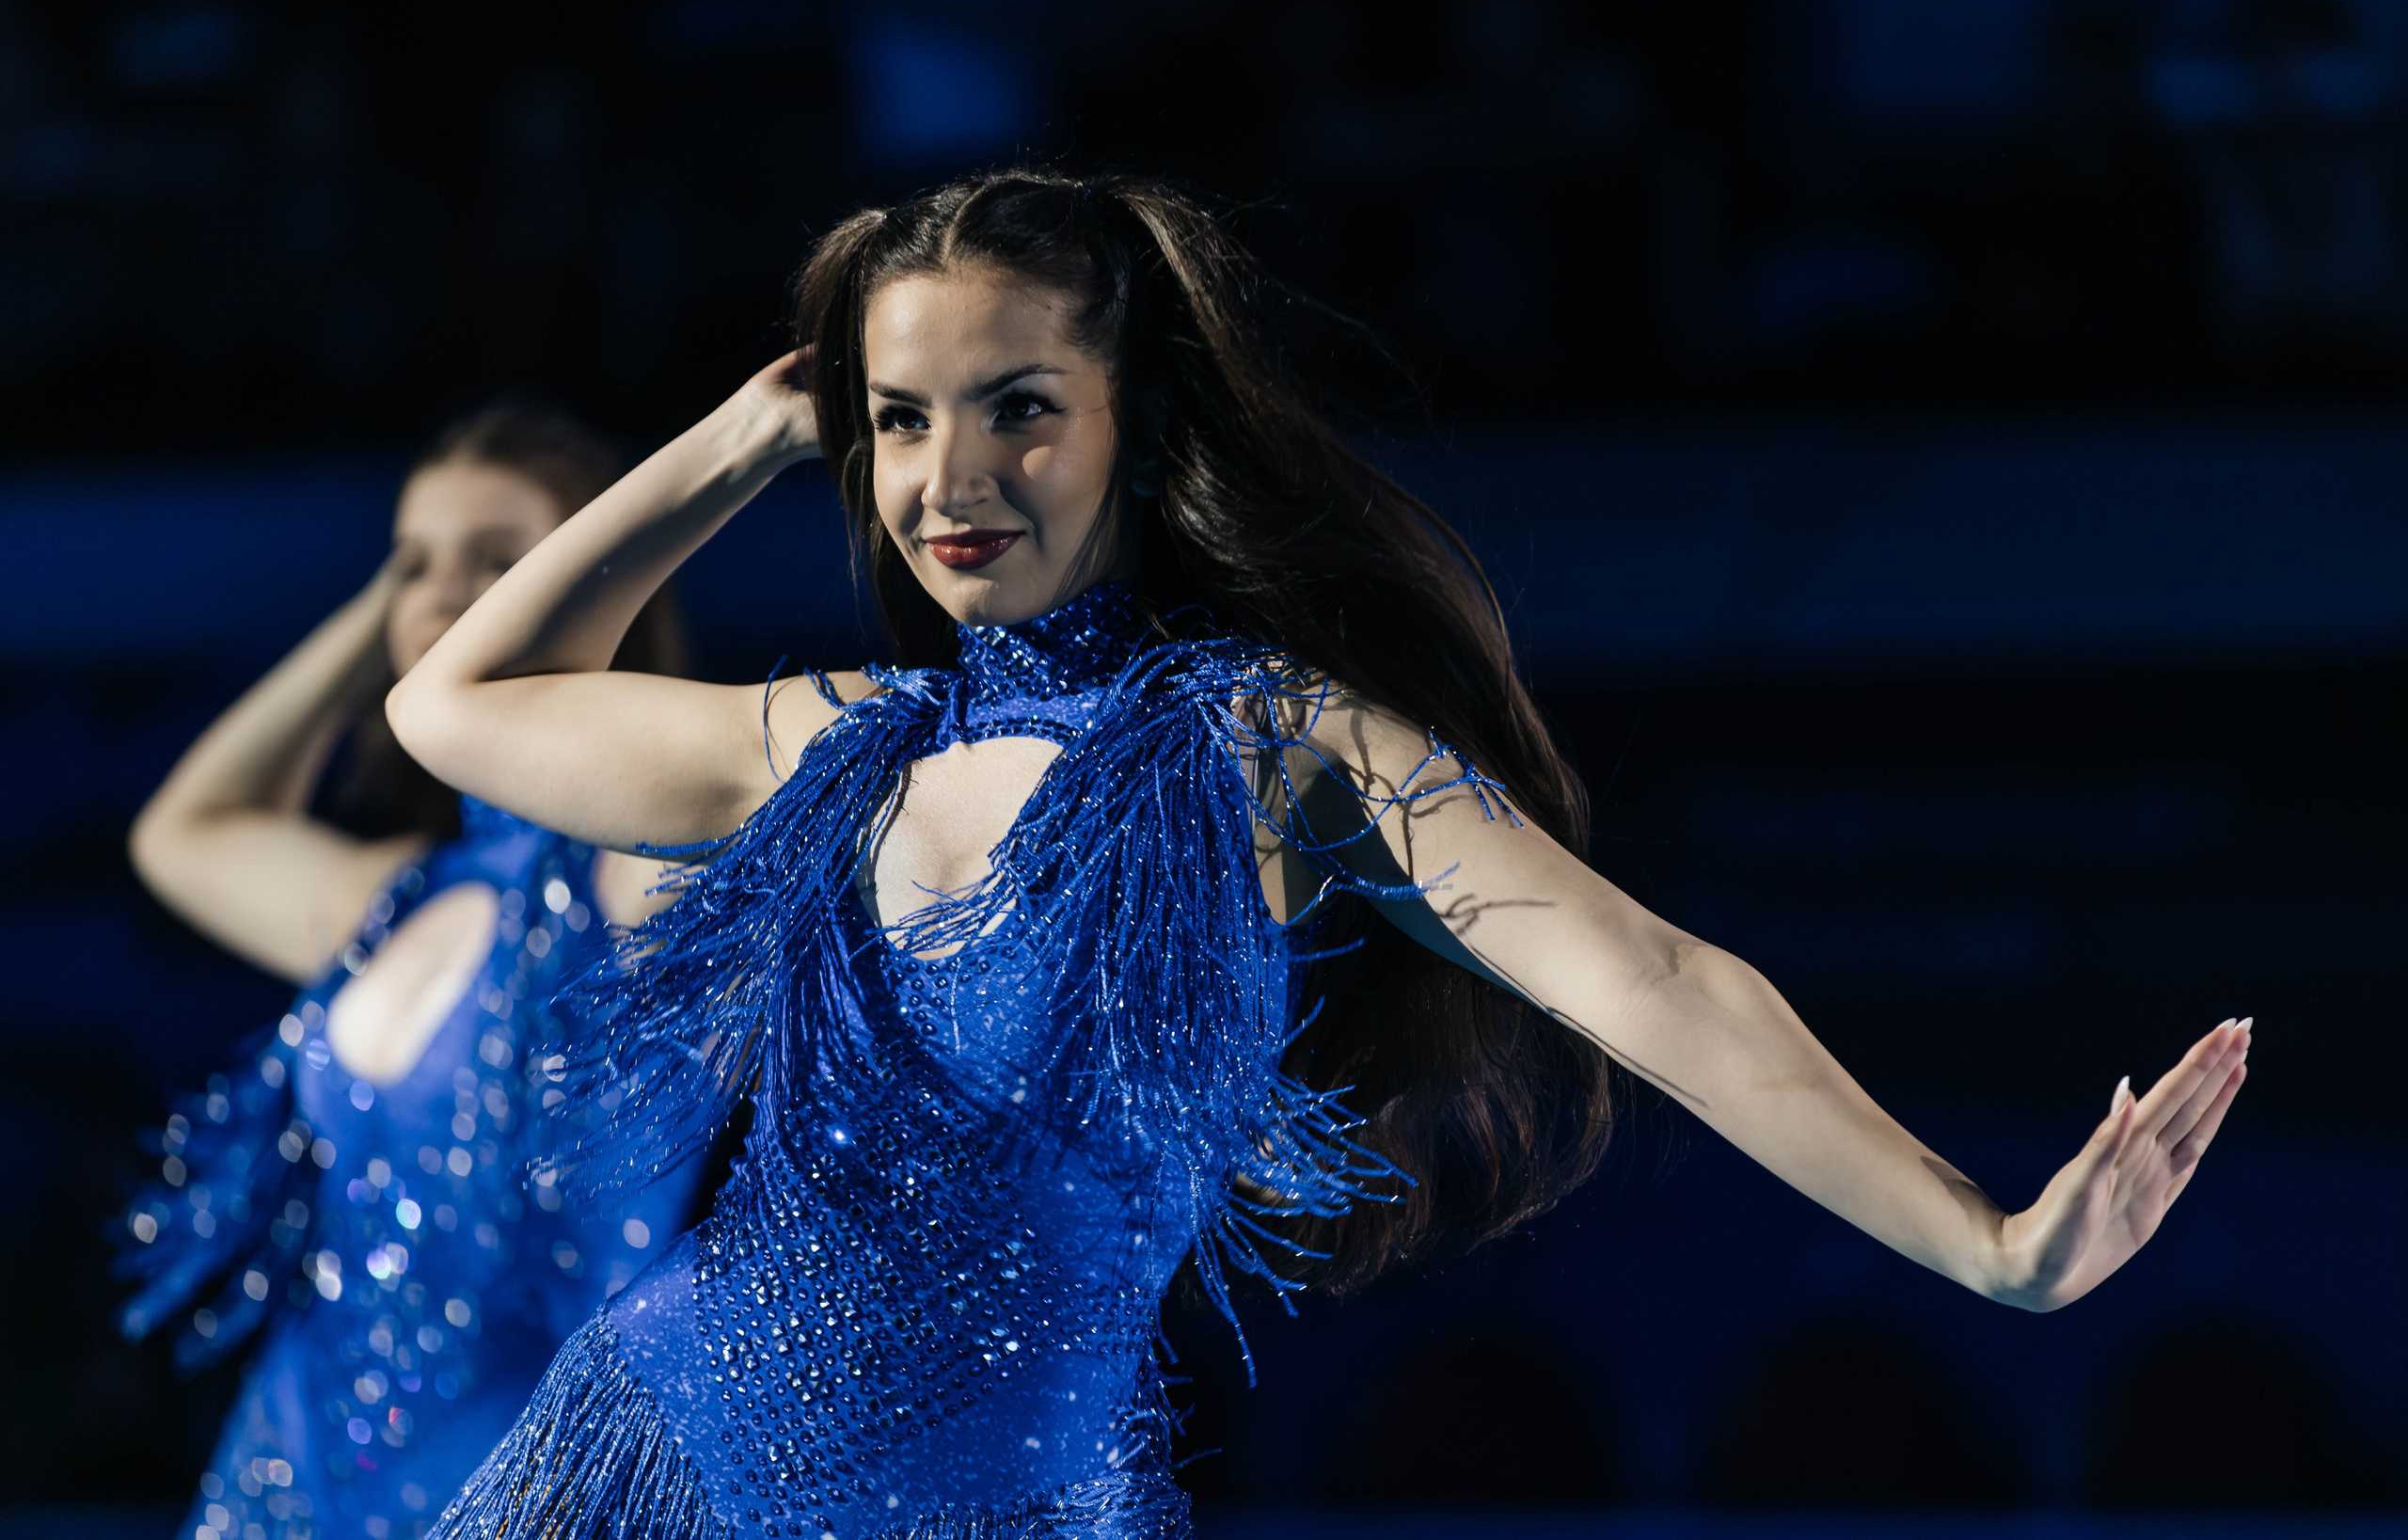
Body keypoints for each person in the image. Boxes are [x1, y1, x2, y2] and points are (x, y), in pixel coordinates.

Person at [386, 171, 2251, 1540]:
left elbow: (1655, 976)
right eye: (899, 419)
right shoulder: (836, 740)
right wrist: (734, 442)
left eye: (1020, 405)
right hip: (643, 1456)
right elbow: (455, 702)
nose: (951, 477)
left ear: (1138, 426)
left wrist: (1991, 1244)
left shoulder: (1270, 745)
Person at [120, 407, 705, 1540]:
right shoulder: (396, 895)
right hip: (278, 1484)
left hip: (519, 1496)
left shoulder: (651, 877)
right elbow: (182, 832)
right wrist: (386, 619)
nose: (447, 593)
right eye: (415, 563)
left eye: (499, 561)